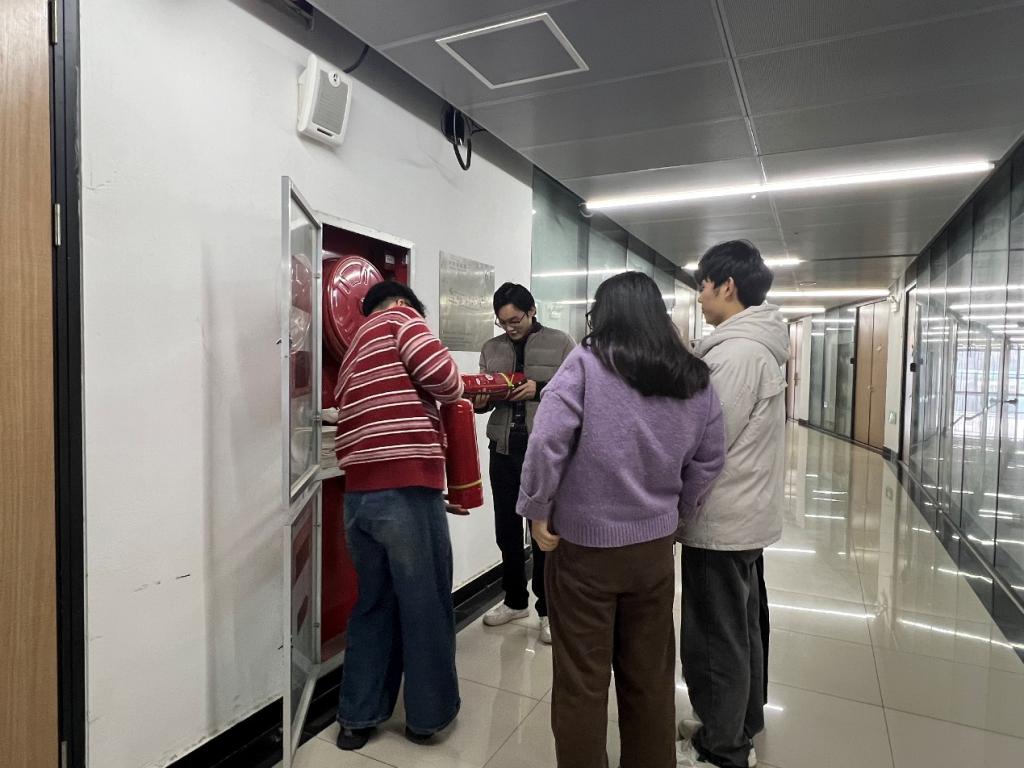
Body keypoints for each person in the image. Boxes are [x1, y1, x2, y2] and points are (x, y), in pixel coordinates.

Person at [516, 272, 726, 768]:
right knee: (650, 679)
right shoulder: (693, 376)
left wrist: (537, 508)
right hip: (653, 552)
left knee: (582, 682)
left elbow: (546, 441)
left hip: (583, 551)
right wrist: (677, 515)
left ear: (603, 315)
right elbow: (710, 458)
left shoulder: (586, 364)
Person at [332, 281, 467, 751]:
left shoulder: (352, 351)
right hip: (406, 490)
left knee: (373, 604)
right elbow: (446, 380)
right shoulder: (402, 319)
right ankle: (427, 718)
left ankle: (357, 718)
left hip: (359, 499)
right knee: (425, 603)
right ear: (405, 303)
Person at [675, 241, 790, 768]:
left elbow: (705, 440)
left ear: (727, 286)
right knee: (741, 628)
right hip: (745, 515)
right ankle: (738, 723)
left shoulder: (736, 354)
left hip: (720, 519)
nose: (699, 296)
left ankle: (721, 749)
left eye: (703, 285)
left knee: (713, 637)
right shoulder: (753, 345)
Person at [475, 282, 574, 644]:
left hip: (544, 452)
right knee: (506, 529)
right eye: (502, 322)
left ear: (532, 311)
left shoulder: (561, 343)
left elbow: (577, 391)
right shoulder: (491, 348)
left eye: (515, 320)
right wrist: (481, 400)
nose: (509, 328)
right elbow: (482, 401)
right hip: (503, 449)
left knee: (543, 532)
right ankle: (514, 600)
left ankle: (547, 610)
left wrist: (540, 388)